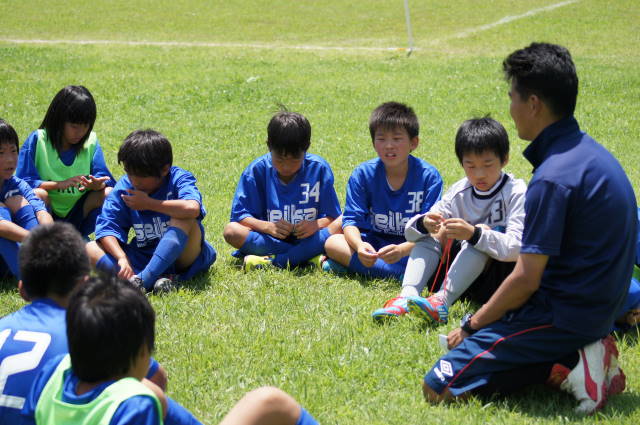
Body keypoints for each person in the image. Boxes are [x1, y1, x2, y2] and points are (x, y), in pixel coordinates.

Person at [421, 42, 636, 415]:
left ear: (533, 104)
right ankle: (578, 359)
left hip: (563, 316)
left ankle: (577, 355)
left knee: (438, 386)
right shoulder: (593, 154)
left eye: (512, 98)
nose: (511, 108)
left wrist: (472, 325)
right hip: (596, 310)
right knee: (489, 363)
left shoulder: (553, 177)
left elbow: (526, 278)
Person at [21, 274, 319, 425]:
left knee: (154, 393)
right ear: (142, 352)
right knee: (269, 401)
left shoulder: (53, 373)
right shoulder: (133, 404)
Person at [0, 223, 165, 425]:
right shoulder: (86, 332)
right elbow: (156, 375)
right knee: (151, 390)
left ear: (22, 290)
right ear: (84, 286)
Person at [371, 117, 526, 321]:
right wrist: (424, 223)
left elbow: (518, 248)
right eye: (470, 166)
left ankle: (441, 301)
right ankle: (406, 296)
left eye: (488, 165)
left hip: (499, 281)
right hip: (461, 278)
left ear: (504, 159)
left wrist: (474, 234)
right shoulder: (459, 191)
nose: (479, 174)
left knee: (480, 232)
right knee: (433, 230)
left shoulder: (517, 192)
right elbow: (411, 233)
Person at [323, 102, 443, 280]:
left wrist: (402, 250)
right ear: (373, 143)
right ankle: (400, 274)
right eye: (381, 139)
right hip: (374, 243)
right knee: (333, 242)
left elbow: (433, 229)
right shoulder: (362, 174)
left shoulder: (429, 177)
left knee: (435, 251)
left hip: (411, 247)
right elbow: (351, 220)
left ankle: (358, 267)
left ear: (414, 142)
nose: (389, 145)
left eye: (397, 138)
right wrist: (359, 246)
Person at [87, 129, 216, 293]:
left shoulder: (178, 178)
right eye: (129, 173)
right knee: (91, 248)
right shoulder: (125, 187)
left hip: (183, 257)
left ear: (164, 169)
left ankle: (143, 281)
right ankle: (154, 279)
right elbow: (107, 227)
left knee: (183, 216)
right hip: (145, 256)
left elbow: (192, 208)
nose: (134, 180)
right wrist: (121, 257)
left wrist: (149, 204)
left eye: (140, 175)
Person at [223, 111, 341, 270]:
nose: (286, 166)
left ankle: (273, 261)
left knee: (343, 222)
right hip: (271, 240)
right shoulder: (256, 171)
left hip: (310, 237)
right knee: (231, 231)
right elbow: (240, 217)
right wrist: (268, 227)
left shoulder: (318, 168)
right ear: (269, 146)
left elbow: (333, 217)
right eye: (279, 159)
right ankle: (308, 256)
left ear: (306, 148)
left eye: (294, 160)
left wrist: (315, 225)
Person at [15, 85, 114, 239]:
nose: (80, 133)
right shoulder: (38, 140)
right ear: (58, 120)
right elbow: (22, 184)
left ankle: (94, 239)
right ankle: (44, 240)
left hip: (78, 210)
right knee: (38, 194)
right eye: (74, 126)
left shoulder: (91, 142)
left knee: (108, 194)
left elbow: (106, 180)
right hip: (45, 210)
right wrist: (58, 184)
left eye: (85, 126)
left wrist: (98, 185)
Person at [0, 119, 53, 278]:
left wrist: (49, 236)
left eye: (13, 151)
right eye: (1, 153)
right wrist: (34, 238)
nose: (10, 159)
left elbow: (41, 210)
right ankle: (31, 273)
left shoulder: (15, 183)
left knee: (24, 199)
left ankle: (39, 264)